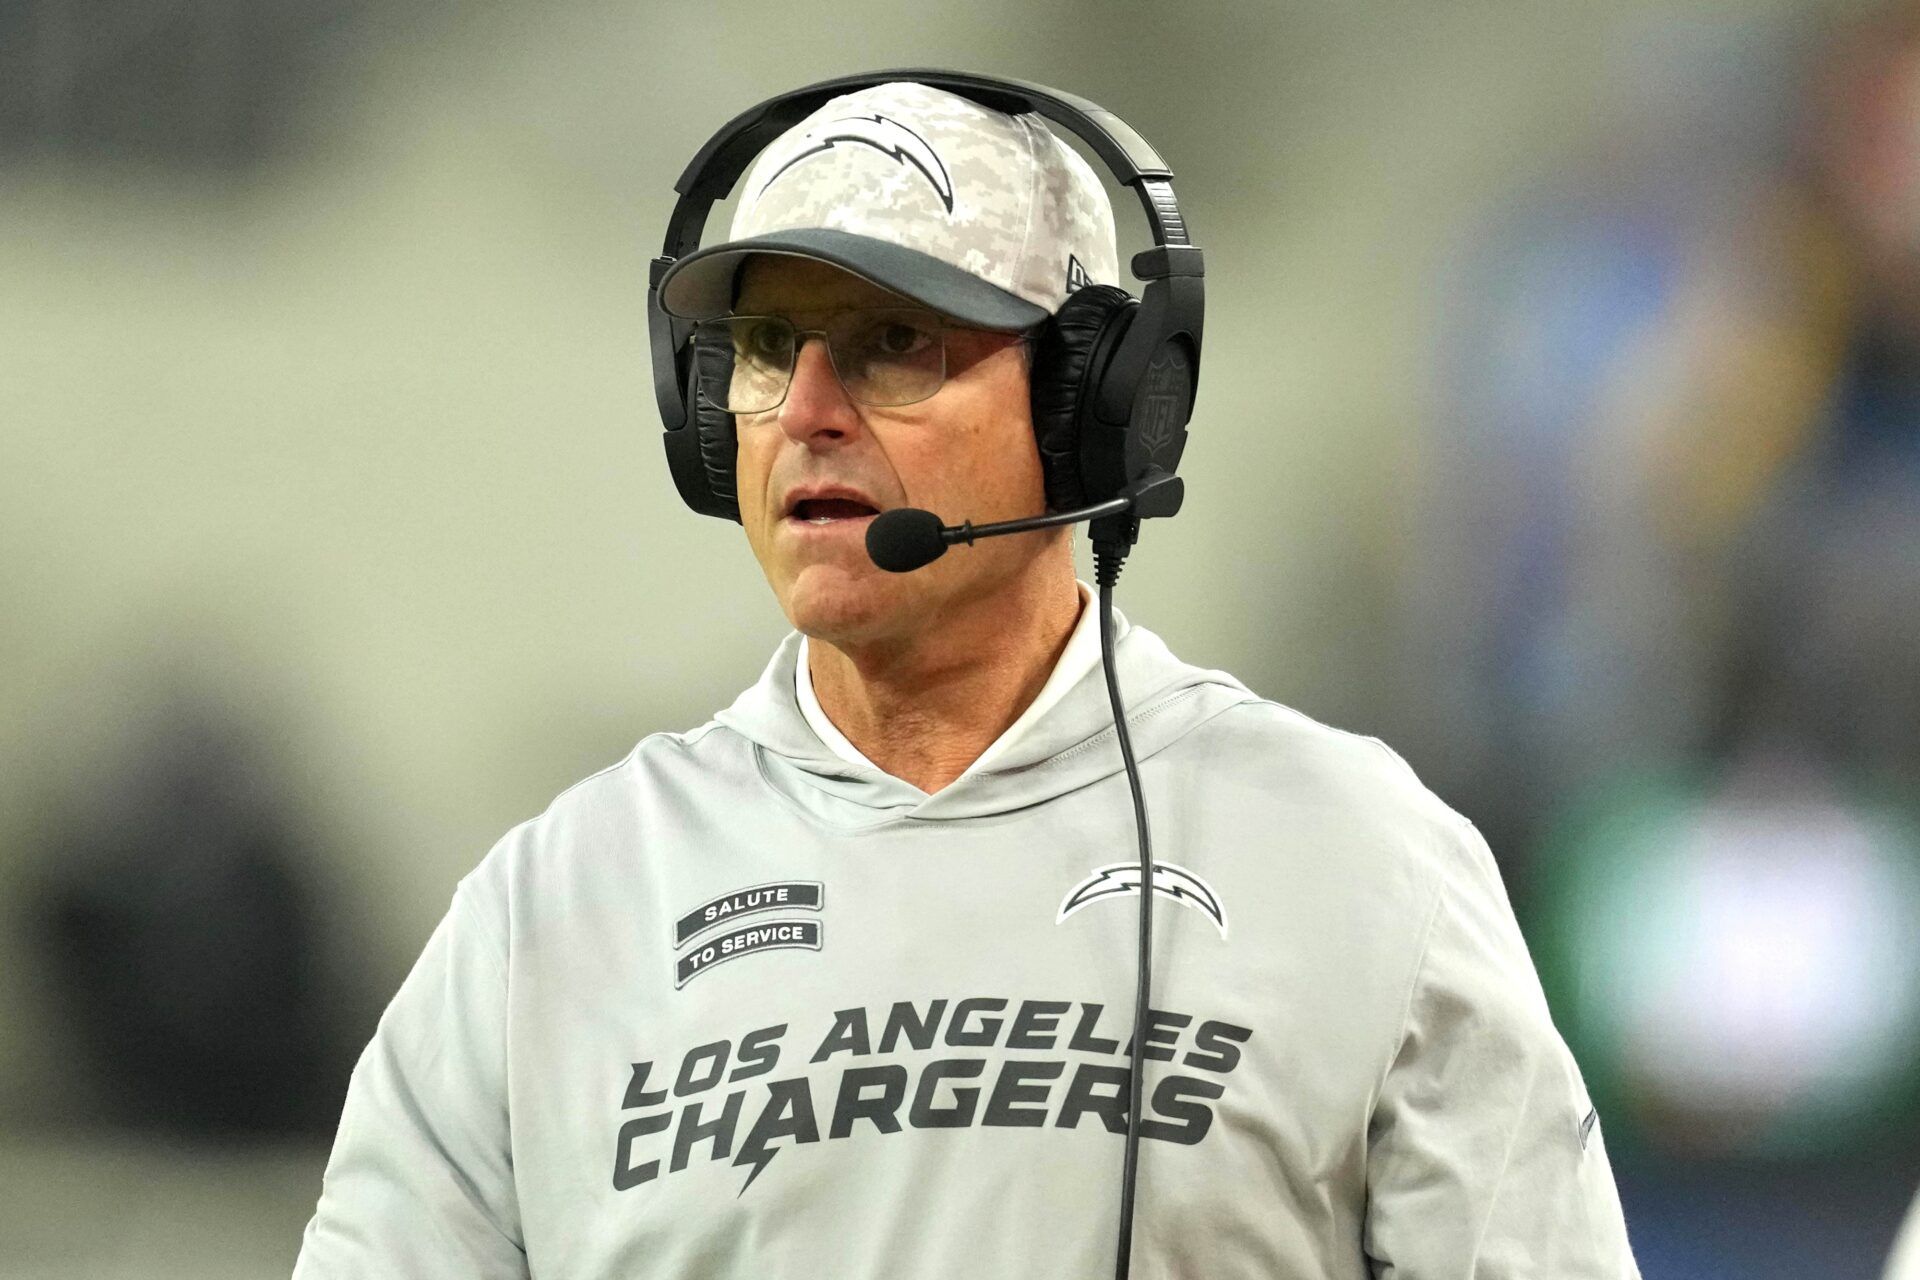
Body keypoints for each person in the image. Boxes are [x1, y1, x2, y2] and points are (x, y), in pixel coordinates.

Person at [291, 78, 1640, 1278]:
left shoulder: (1360, 860)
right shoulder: (556, 911)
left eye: (893, 343)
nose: (809, 408)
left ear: (1092, 404)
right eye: (765, 351)